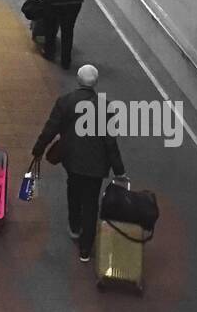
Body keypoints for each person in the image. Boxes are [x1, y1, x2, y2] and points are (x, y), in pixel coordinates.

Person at [31, 64, 126, 262]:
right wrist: (119, 170)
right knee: (91, 203)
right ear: (96, 83)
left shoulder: (65, 102)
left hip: (72, 161)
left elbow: (51, 128)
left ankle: (74, 226)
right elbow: (110, 142)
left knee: (73, 191)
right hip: (97, 166)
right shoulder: (106, 107)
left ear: (78, 80)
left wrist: (38, 149)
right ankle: (85, 249)